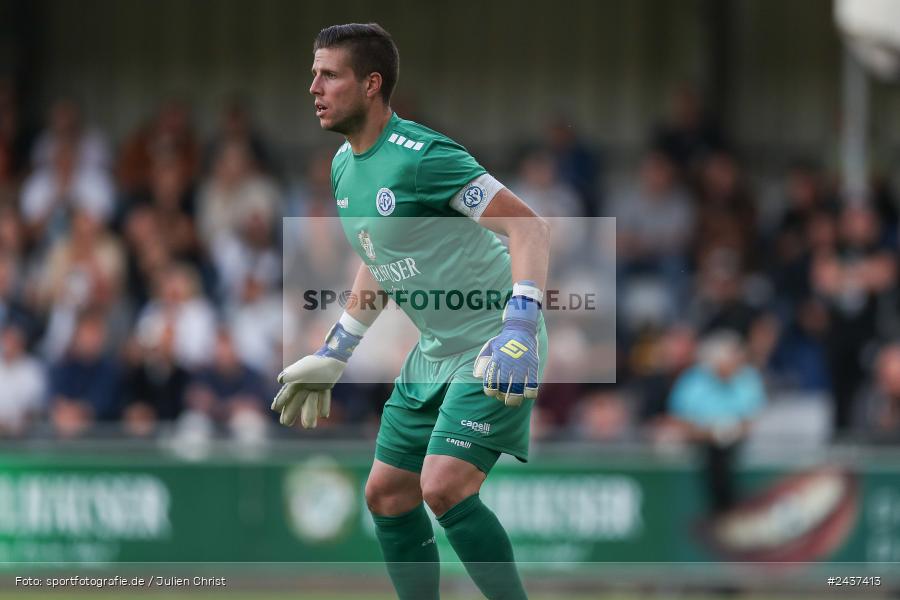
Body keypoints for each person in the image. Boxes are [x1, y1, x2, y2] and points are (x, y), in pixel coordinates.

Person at [271, 23, 549, 600]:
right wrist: (336, 350)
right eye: (313, 74)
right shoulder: (344, 168)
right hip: (435, 349)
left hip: (494, 336)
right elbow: (382, 258)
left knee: (442, 486)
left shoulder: (423, 157)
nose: (313, 87)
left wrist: (519, 326)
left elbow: (528, 226)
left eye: (329, 74)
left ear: (371, 84)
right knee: (386, 494)